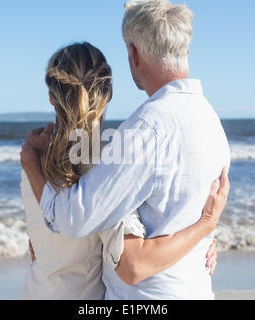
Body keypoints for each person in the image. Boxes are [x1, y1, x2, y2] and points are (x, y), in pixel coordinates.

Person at [21, 0, 231, 299]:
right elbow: (186, 202)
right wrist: (207, 230)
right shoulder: (211, 122)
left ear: (133, 54)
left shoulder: (145, 129)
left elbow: (72, 222)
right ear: (186, 49)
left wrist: (30, 162)